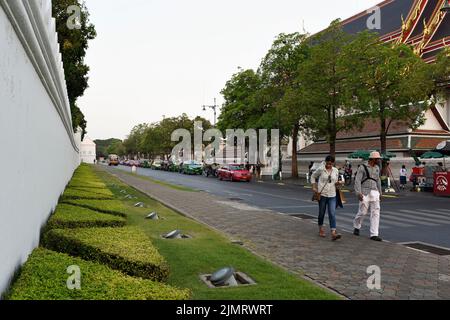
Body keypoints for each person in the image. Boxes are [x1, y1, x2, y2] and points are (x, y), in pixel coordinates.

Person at [353, 151, 383, 242]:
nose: (379, 160)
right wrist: (358, 193)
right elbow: (357, 180)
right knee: (363, 212)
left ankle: (374, 234)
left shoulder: (377, 168)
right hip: (364, 191)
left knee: (376, 212)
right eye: (377, 159)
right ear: (373, 159)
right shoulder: (363, 167)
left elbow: (378, 180)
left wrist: (380, 192)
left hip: (375, 191)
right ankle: (357, 226)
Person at [311, 156, 343, 241]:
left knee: (332, 213)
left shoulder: (335, 170)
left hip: (332, 195)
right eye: (327, 163)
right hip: (322, 195)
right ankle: (321, 229)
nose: (329, 165)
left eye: (330, 164)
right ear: (325, 162)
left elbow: (335, 182)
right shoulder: (321, 169)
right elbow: (313, 176)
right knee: (321, 213)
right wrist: (314, 187)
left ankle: (333, 232)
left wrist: (339, 183)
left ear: (333, 163)